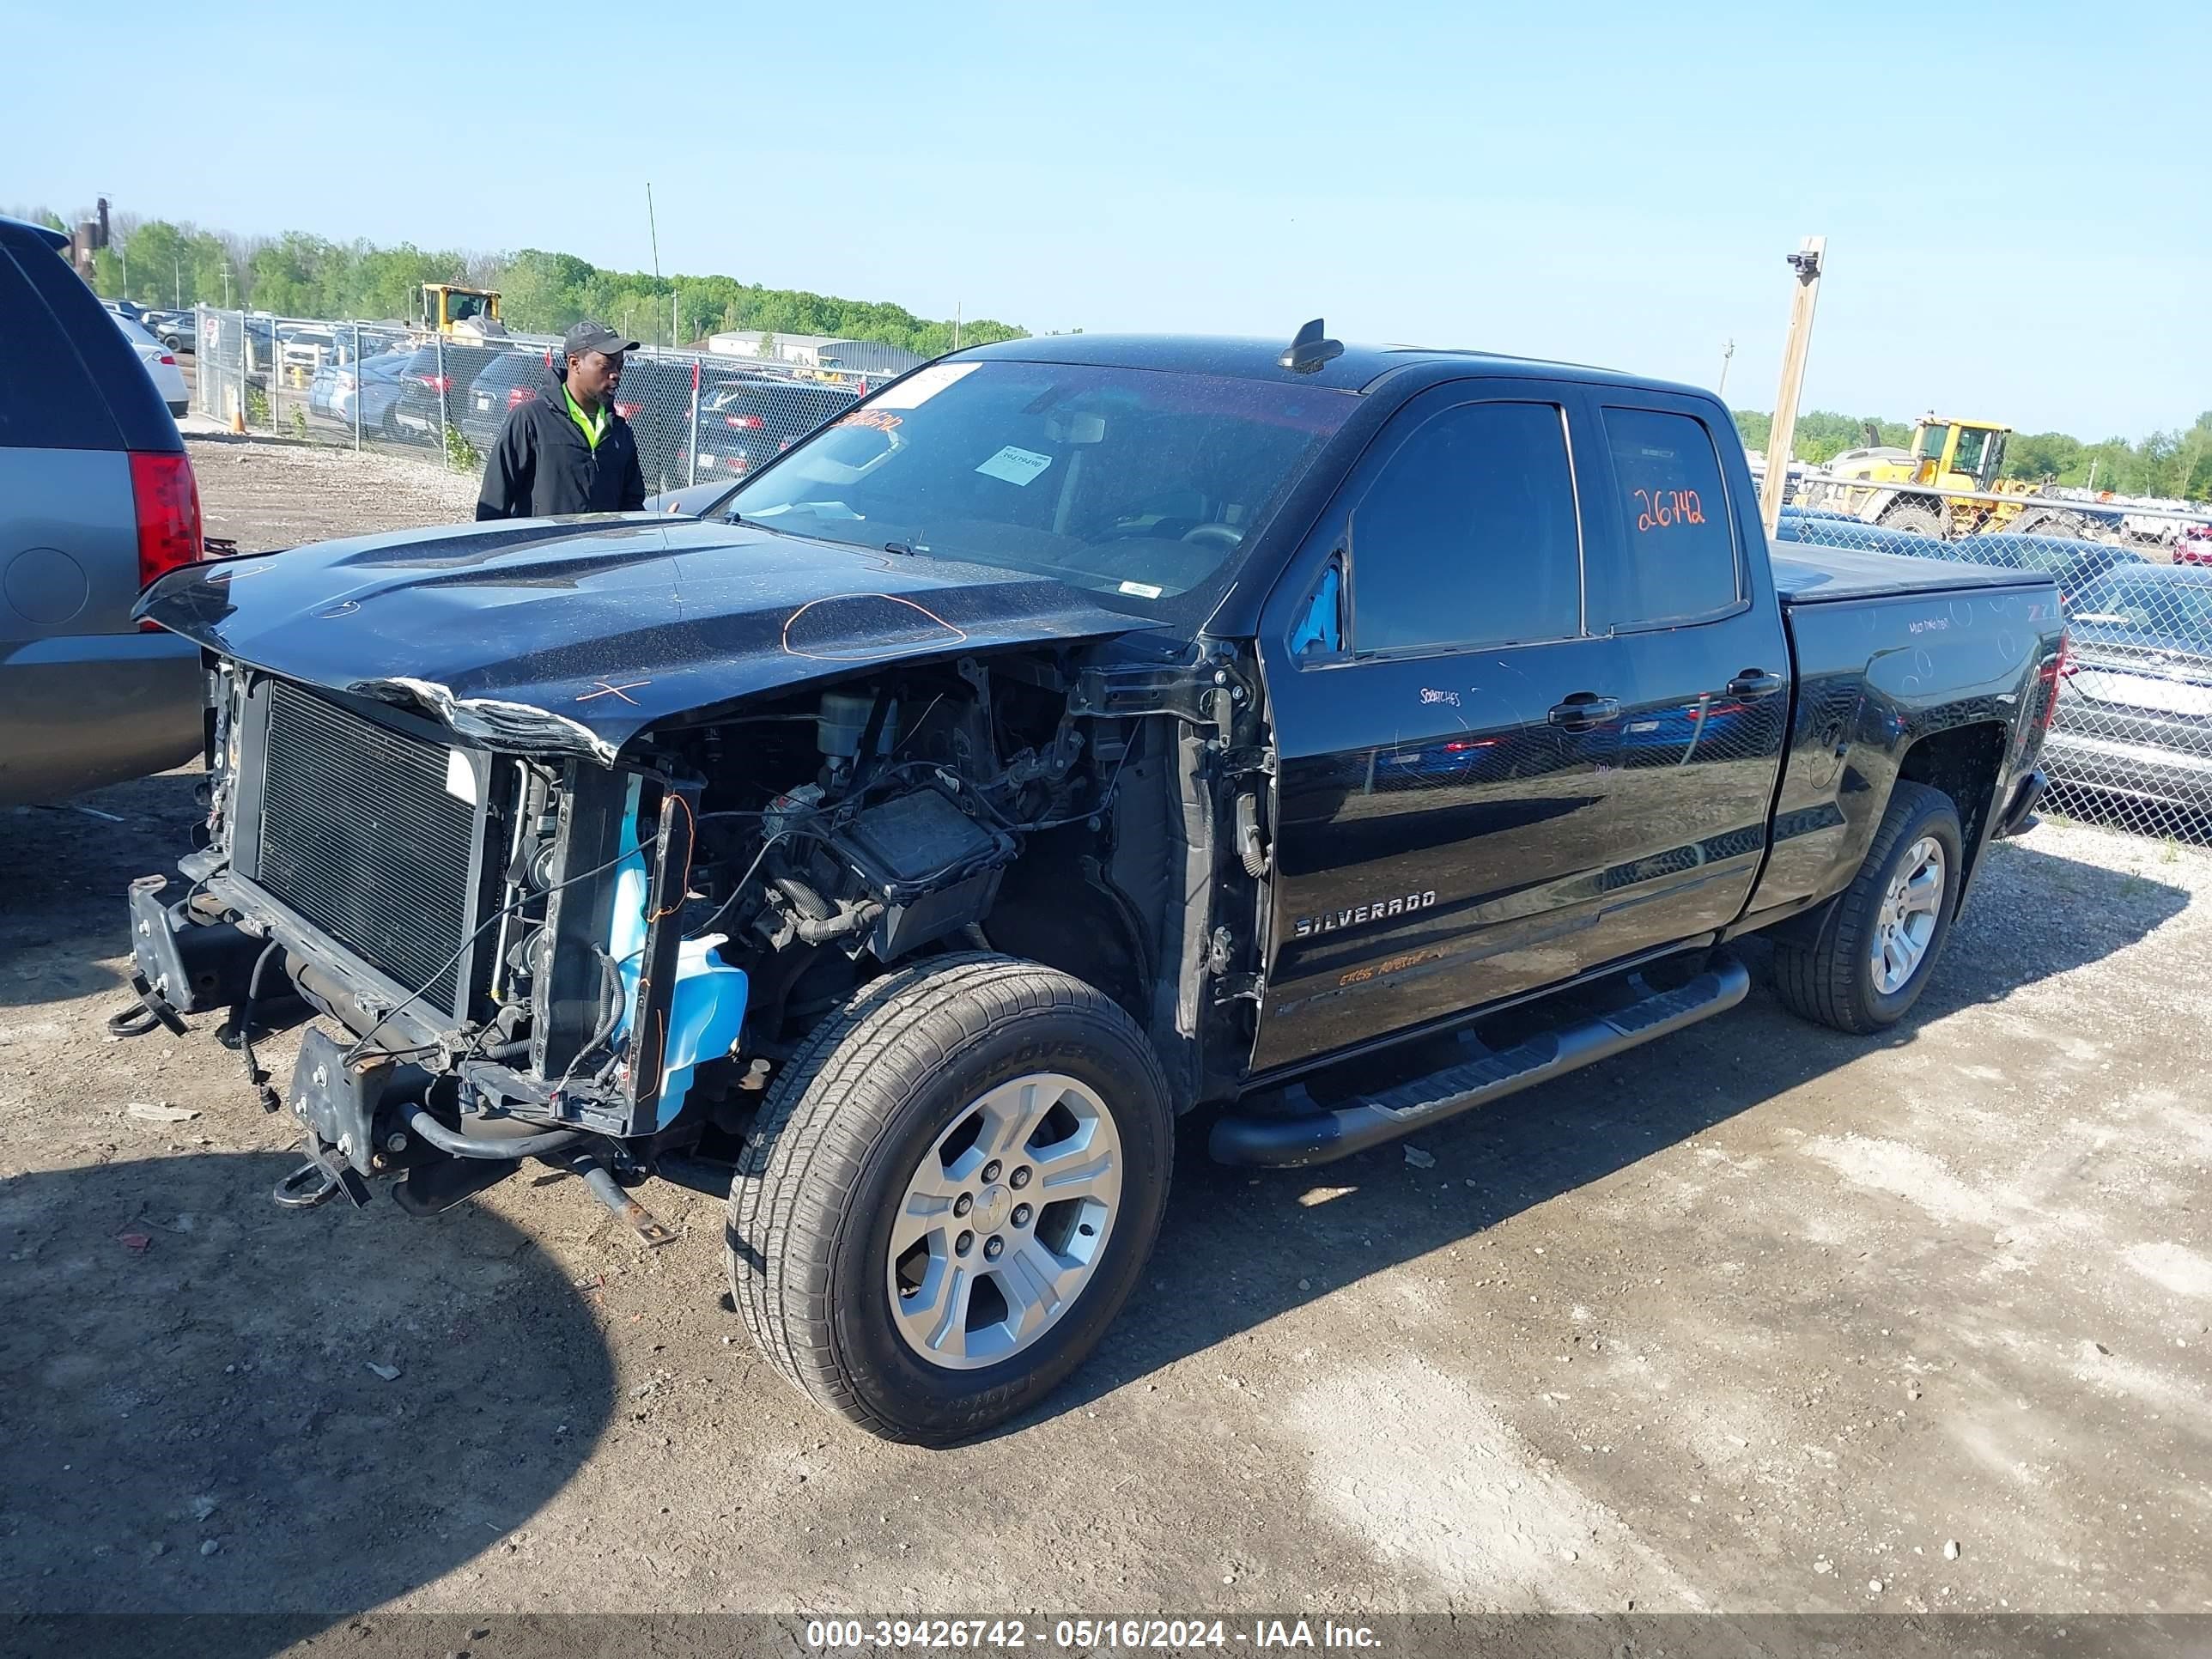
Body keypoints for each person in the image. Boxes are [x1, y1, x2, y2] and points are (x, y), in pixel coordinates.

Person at [476, 320, 647, 520]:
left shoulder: (620, 431)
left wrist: (652, 527)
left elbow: (631, 504)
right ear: (575, 363)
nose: (616, 374)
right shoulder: (530, 420)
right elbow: (494, 503)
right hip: (543, 549)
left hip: (600, 550)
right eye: (606, 365)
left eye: (620, 366)